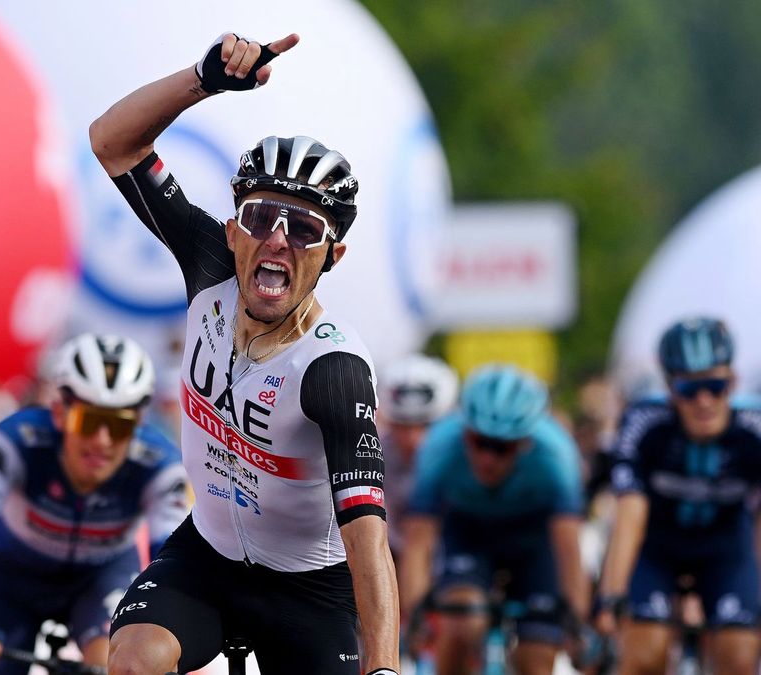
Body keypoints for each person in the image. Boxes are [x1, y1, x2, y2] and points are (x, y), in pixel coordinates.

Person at [89, 32, 399, 675]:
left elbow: (368, 541)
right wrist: (203, 78)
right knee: (134, 662)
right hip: (208, 558)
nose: (278, 241)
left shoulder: (334, 371)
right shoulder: (209, 266)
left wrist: (387, 667)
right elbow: (112, 141)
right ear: (233, 231)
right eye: (261, 218)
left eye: (306, 230)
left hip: (311, 591)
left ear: (331, 256)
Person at [0, 333, 188, 675]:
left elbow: (172, 567)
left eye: (119, 425)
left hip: (102, 576)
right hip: (14, 576)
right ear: (59, 413)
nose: (102, 441)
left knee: (118, 666)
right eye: (88, 421)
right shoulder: (17, 440)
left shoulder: (161, 465)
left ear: (138, 426)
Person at [594, 317, 761, 675]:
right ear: (670, 388)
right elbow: (629, 517)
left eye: (716, 386)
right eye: (689, 389)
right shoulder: (644, 422)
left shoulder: (754, 426)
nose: (704, 401)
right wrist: (611, 597)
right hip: (657, 550)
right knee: (644, 656)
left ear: (733, 382)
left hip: (726, 551)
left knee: (739, 657)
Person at [399, 364, 587, 675]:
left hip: (534, 542)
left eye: (502, 447)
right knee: (462, 623)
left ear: (525, 441)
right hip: (469, 533)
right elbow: (419, 540)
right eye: (479, 441)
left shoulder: (556, 454)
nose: (488, 458)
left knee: (537, 659)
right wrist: (416, 613)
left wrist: (577, 621)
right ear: (465, 431)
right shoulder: (439, 445)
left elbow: (569, 548)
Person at [377, 354, 459, 559]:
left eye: (426, 425)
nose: (414, 439)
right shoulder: (372, 454)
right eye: (401, 425)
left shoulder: (467, 456)